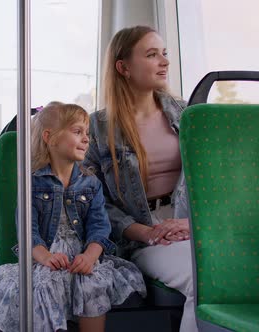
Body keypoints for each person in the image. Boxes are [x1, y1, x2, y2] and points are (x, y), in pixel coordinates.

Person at [0, 102, 146, 332]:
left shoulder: (91, 184)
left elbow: (99, 227)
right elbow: (27, 230)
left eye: (87, 133)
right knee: (45, 284)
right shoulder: (32, 184)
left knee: (92, 282)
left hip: (82, 255)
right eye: (77, 132)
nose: (86, 139)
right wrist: (44, 256)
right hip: (45, 256)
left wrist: (90, 256)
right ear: (50, 137)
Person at [83, 26, 196, 331]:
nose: (164, 62)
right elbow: (94, 203)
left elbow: (217, 184)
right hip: (140, 237)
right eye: (151, 54)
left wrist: (191, 224)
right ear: (124, 68)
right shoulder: (97, 129)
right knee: (205, 279)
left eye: (165, 53)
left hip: (193, 227)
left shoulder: (190, 116)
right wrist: (147, 233)